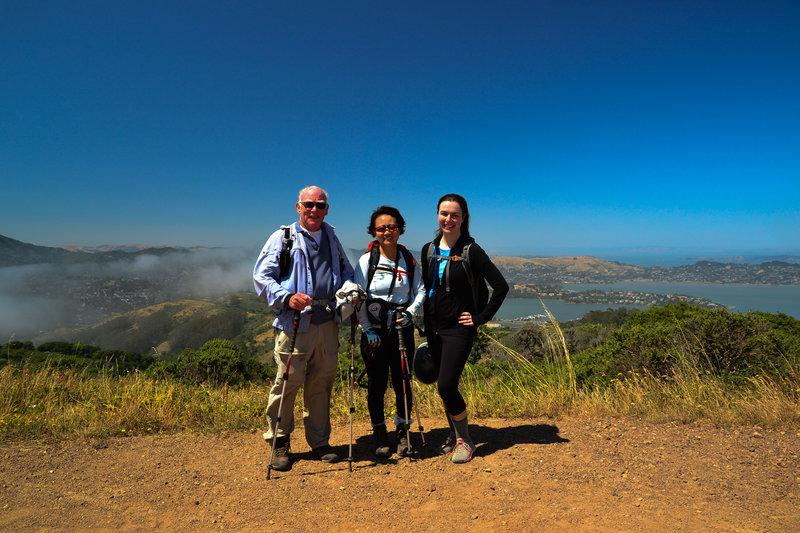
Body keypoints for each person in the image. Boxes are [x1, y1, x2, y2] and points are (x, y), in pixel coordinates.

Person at [253, 185, 355, 472]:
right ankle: (280, 441)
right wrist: (287, 297)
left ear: (327, 209)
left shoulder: (332, 237)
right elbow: (262, 277)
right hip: (295, 322)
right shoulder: (282, 238)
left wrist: (350, 292)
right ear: (298, 207)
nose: (314, 210)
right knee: (287, 384)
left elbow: (346, 272)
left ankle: (320, 441)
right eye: (308, 204)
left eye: (320, 205)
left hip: (328, 322)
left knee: (321, 384)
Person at [421, 193, 509, 463]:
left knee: (447, 385)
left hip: (459, 328)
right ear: (437, 215)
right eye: (444, 213)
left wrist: (480, 317)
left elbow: (501, 286)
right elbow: (428, 290)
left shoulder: (472, 250)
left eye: (454, 214)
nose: (448, 219)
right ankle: (454, 432)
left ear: (463, 218)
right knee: (441, 384)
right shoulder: (429, 249)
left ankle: (465, 440)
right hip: (434, 327)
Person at [353, 206, 425, 458]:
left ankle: (402, 430)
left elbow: (421, 290)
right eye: (381, 228)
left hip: (402, 330)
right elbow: (358, 298)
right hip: (374, 332)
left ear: (400, 229)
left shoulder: (409, 260)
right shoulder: (366, 261)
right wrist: (367, 328)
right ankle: (379, 432)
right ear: (374, 231)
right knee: (376, 384)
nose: (387, 232)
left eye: (392, 227)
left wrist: (411, 313)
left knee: (403, 383)